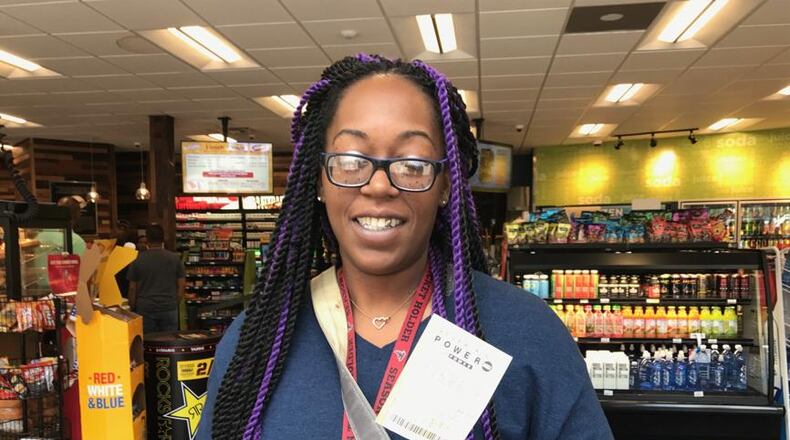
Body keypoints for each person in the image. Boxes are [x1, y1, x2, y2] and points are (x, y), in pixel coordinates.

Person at [197, 54, 612, 439]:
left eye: (413, 164)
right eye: (351, 160)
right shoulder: (255, 341)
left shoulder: (526, 330)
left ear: (446, 185)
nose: (378, 185)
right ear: (319, 179)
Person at [127, 224, 185, 333]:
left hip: (145, 307)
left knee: (149, 343)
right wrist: (175, 302)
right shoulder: (174, 258)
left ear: (147, 239)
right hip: (168, 306)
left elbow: (132, 288)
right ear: (163, 239)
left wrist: (133, 307)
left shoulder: (137, 260)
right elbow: (181, 285)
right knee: (169, 342)